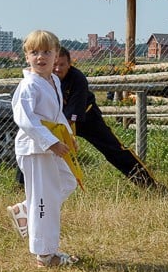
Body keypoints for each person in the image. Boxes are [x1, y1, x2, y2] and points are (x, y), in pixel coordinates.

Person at [6, 30, 79, 268]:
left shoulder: (53, 81)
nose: (41, 57)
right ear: (26, 56)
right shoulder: (29, 86)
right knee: (44, 203)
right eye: (34, 52)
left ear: (57, 54)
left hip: (52, 146)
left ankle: (25, 209)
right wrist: (51, 142)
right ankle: (45, 255)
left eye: (47, 52)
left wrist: (68, 137)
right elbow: (26, 120)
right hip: (36, 149)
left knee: (68, 182)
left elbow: (57, 114)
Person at [54, 47, 160, 189]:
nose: (57, 69)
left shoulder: (78, 79)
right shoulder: (45, 77)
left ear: (69, 64)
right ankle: (24, 185)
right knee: (38, 145)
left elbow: (71, 116)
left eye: (62, 64)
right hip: (58, 120)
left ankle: (149, 185)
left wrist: (62, 137)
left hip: (86, 117)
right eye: (54, 64)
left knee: (113, 150)